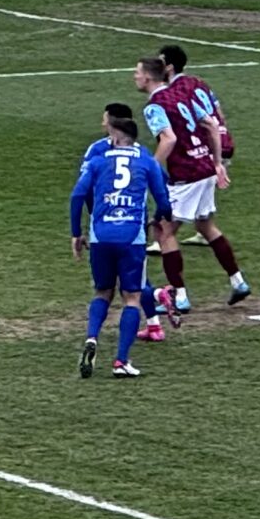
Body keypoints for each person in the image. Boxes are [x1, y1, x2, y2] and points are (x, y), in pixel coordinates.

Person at [136, 45, 250, 318]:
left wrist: (149, 168)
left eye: (137, 73)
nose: (134, 77)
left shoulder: (154, 106)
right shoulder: (181, 92)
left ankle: (179, 296)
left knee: (163, 232)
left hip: (186, 173)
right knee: (205, 225)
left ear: (150, 78)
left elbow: (169, 139)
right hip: (205, 167)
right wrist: (218, 162)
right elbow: (212, 123)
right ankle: (238, 281)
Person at [69, 112, 173, 379]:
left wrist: (75, 233)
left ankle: (92, 337)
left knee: (102, 292)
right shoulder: (147, 161)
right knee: (132, 298)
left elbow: (77, 195)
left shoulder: (96, 161)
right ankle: (121, 361)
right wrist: (158, 218)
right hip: (131, 237)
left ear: (114, 138)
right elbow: (163, 198)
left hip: (101, 236)